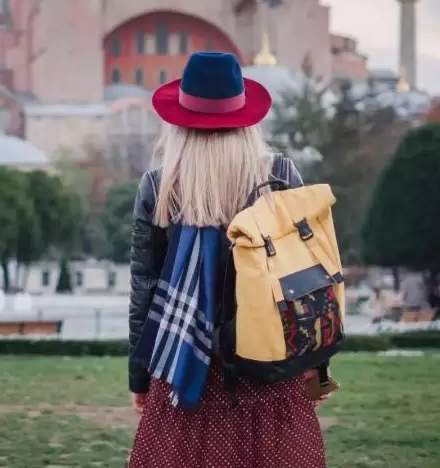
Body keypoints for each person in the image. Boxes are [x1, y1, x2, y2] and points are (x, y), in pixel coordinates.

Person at [128, 52, 328, 468]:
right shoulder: (280, 175)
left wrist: (140, 374)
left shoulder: (160, 185)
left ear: (179, 120)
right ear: (247, 118)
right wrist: (318, 364)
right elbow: (309, 277)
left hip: (184, 362)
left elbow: (144, 286)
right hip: (271, 360)